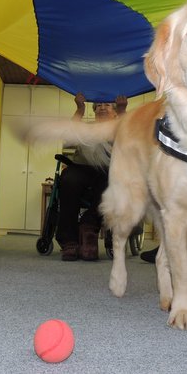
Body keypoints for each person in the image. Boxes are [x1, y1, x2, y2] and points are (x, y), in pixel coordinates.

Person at [56, 93, 127, 261]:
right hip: (81, 168)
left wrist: (123, 111)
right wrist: (80, 110)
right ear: (94, 110)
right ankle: (69, 241)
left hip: (107, 171)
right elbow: (67, 139)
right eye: (99, 105)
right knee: (68, 179)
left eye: (107, 105)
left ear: (114, 111)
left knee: (111, 181)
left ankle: (89, 224)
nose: (102, 107)